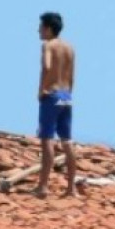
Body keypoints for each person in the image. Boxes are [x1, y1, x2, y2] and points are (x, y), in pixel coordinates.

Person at [34, 12, 77, 199]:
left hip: (51, 93)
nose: (38, 31)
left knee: (47, 139)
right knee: (66, 141)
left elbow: (47, 67)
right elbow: (72, 75)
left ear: (49, 28)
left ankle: (43, 186)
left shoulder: (48, 45)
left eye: (41, 27)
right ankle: (71, 187)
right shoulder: (69, 47)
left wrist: (41, 89)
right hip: (66, 94)